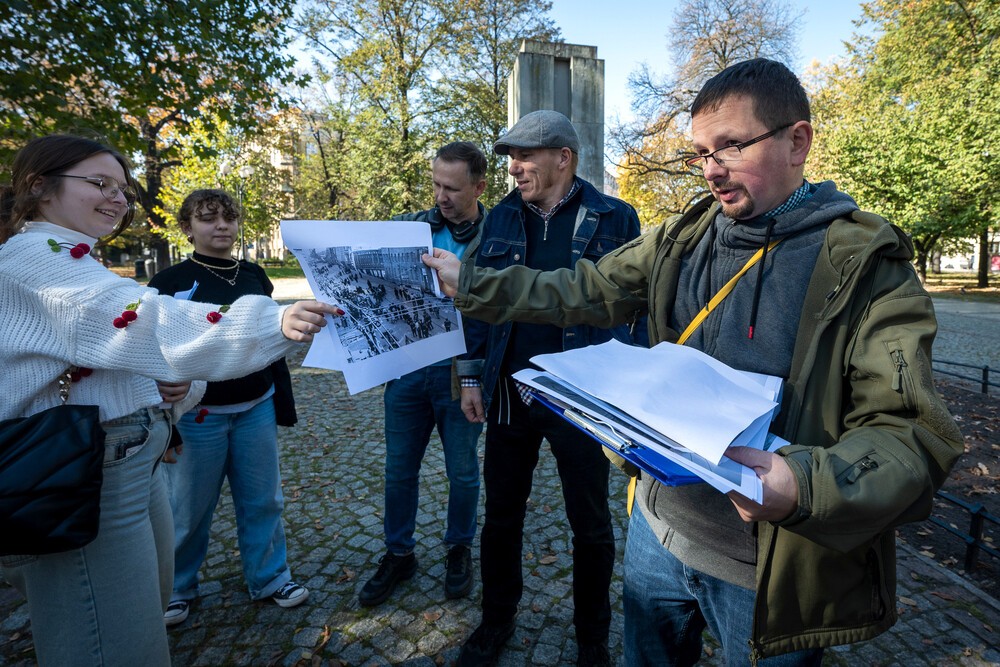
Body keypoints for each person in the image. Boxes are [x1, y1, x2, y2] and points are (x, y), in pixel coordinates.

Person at [424, 60, 963, 666]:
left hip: (768, 569)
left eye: (731, 146)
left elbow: (914, 436)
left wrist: (804, 484)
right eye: (701, 152)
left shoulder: (868, 268)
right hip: (658, 533)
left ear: (798, 141)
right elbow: (581, 289)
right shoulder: (681, 238)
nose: (711, 170)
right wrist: (470, 281)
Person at [0, 135, 340, 666]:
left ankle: (252, 577)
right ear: (38, 186)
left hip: (130, 456)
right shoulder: (36, 256)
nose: (117, 198)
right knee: (113, 639)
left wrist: (171, 387)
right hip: (89, 470)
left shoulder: (72, 255)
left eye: (123, 189)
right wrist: (272, 320)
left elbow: (103, 347)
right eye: (99, 183)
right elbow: (136, 320)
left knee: (141, 611)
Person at [448, 111, 643, 667]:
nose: (514, 168)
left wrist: (633, 386)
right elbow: (477, 305)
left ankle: (592, 638)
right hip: (510, 390)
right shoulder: (503, 216)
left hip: (583, 395)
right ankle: (496, 620)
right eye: (510, 156)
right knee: (503, 516)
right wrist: (469, 375)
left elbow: (637, 308)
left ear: (564, 158)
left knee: (591, 524)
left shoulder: (615, 216)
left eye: (526, 156)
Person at [148, 189, 309, 627]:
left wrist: (281, 401)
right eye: (208, 219)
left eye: (228, 218)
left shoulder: (255, 274)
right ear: (187, 227)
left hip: (255, 405)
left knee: (263, 500)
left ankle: (271, 577)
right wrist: (167, 425)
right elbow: (157, 355)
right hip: (198, 415)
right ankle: (176, 587)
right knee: (186, 509)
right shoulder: (167, 283)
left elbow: (267, 343)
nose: (221, 226)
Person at [358, 142, 488, 606]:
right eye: (435, 184)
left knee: (463, 472)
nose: (441, 195)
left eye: (451, 187)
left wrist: (473, 376)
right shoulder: (407, 229)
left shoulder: (496, 235)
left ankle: (459, 548)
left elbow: (496, 319)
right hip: (407, 371)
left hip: (461, 375)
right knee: (399, 471)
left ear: (480, 186)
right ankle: (399, 553)